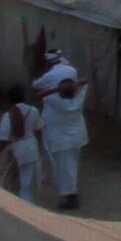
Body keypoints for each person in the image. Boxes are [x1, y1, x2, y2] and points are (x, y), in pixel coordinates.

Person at [33, 52, 89, 208]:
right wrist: (72, 85)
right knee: (71, 167)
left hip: (61, 139)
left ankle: (69, 197)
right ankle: (70, 193)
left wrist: (56, 88)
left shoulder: (55, 101)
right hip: (77, 136)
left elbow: (40, 93)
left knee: (64, 169)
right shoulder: (78, 99)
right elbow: (85, 81)